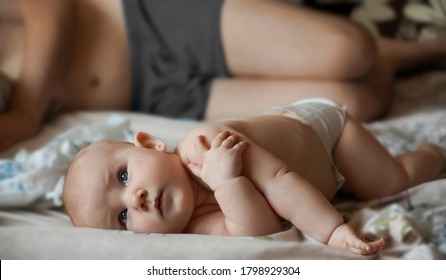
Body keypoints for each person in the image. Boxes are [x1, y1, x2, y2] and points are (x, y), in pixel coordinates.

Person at [1, 0, 445, 152]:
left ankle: (410, 50)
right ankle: (394, 60)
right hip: (152, 96)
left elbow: (50, 5)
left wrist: (24, 109)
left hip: (144, 24)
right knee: (354, 103)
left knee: (351, 51)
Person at [63, 98, 446, 256]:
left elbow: (279, 180)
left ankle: (432, 153)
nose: (135, 200)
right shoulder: (191, 227)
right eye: (123, 217)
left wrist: (333, 232)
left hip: (324, 137)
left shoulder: (206, 144)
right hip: (318, 175)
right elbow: (260, 226)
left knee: (393, 179)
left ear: (151, 143)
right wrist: (228, 186)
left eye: (125, 176)